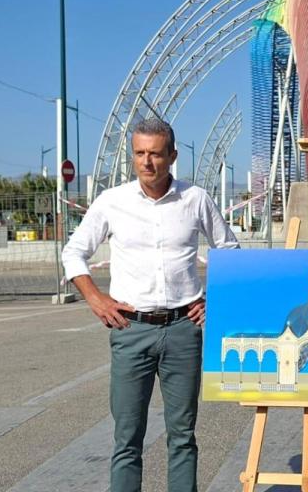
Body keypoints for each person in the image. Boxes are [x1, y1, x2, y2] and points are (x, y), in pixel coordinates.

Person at [62, 118, 239, 492]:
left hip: (182, 331)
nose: (147, 162)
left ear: (172, 155)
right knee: (127, 437)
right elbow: (73, 252)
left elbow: (230, 251)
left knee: (183, 435)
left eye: (156, 154)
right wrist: (95, 298)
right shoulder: (112, 202)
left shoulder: (195, 199)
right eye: (139, 153)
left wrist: (215, 299)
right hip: (131, 330)